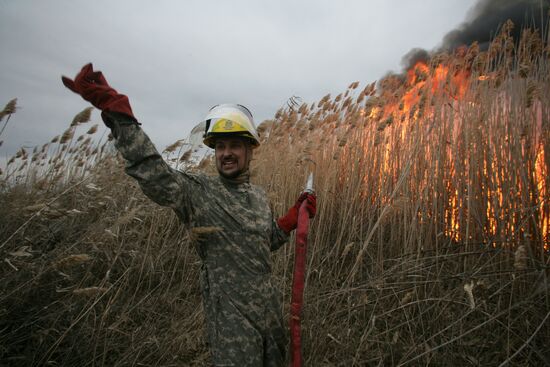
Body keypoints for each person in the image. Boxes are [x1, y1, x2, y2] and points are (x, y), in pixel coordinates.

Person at [62, 63, 317, 367]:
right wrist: (121, 116)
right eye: (220, 146)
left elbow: (263, 243)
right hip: (233, 325)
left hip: (270, 315)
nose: (227, 153)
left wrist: (290, 220)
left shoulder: (258, 197)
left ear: (250, 150)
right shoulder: (198, 193)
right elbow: (154, 174)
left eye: (235, 145)